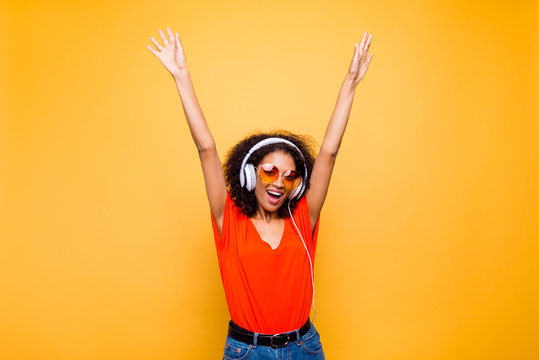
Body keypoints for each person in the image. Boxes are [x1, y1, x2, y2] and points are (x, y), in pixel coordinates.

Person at [147, 27, 373, 360]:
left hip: (304, 348)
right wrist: (181, 75)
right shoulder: (229, 219)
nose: (279, 182)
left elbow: (329, 152)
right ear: (250, 174)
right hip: (247, 352)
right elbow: (206, 148)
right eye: (269, 171)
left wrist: (350, 83)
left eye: (289, 175)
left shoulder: (302, 218)